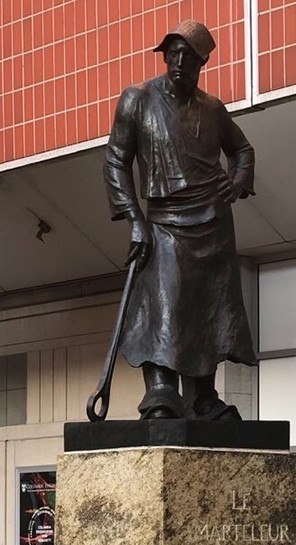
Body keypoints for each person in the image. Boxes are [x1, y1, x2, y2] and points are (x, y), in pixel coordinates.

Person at [103, 20, 257, 420]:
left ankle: (205, 396)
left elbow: (242, 150)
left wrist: (238, 183)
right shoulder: (137, 100)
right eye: (173, 53)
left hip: (213, 221)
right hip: (164, 220)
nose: (179, 61)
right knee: (165, 304)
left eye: (189, 56)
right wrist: (134, 218)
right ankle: (160, 392)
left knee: (211, 306)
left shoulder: (212, 108)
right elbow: (116, 161)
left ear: (202, 62)